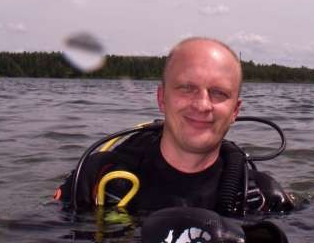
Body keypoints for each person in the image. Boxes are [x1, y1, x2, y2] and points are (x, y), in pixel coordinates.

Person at [55, 37, 294, 216]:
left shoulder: (262, 197)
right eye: (187, 88)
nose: (202, 105)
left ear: (235, 111)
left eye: (218, 92)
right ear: (161, 98)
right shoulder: (97, 178)